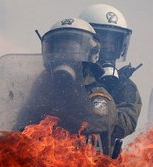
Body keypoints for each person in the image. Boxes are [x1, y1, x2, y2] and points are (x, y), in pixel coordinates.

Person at [14, 18, 137, 159]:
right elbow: (22, 126)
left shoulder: (96, 90)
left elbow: (99, 125)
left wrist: (72, 97)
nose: (66, 56)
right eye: (60, 50)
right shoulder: (42, 88)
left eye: (72, 50)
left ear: (91, 53)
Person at [79, 4, 142, 155]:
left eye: (113, 42)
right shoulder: (66, 76)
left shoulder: (125, 86)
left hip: (100, 164)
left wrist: (103, 106)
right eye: (102, 41)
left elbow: (124, 125)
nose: (108, 48)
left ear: (121, 47)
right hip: (57, 154)